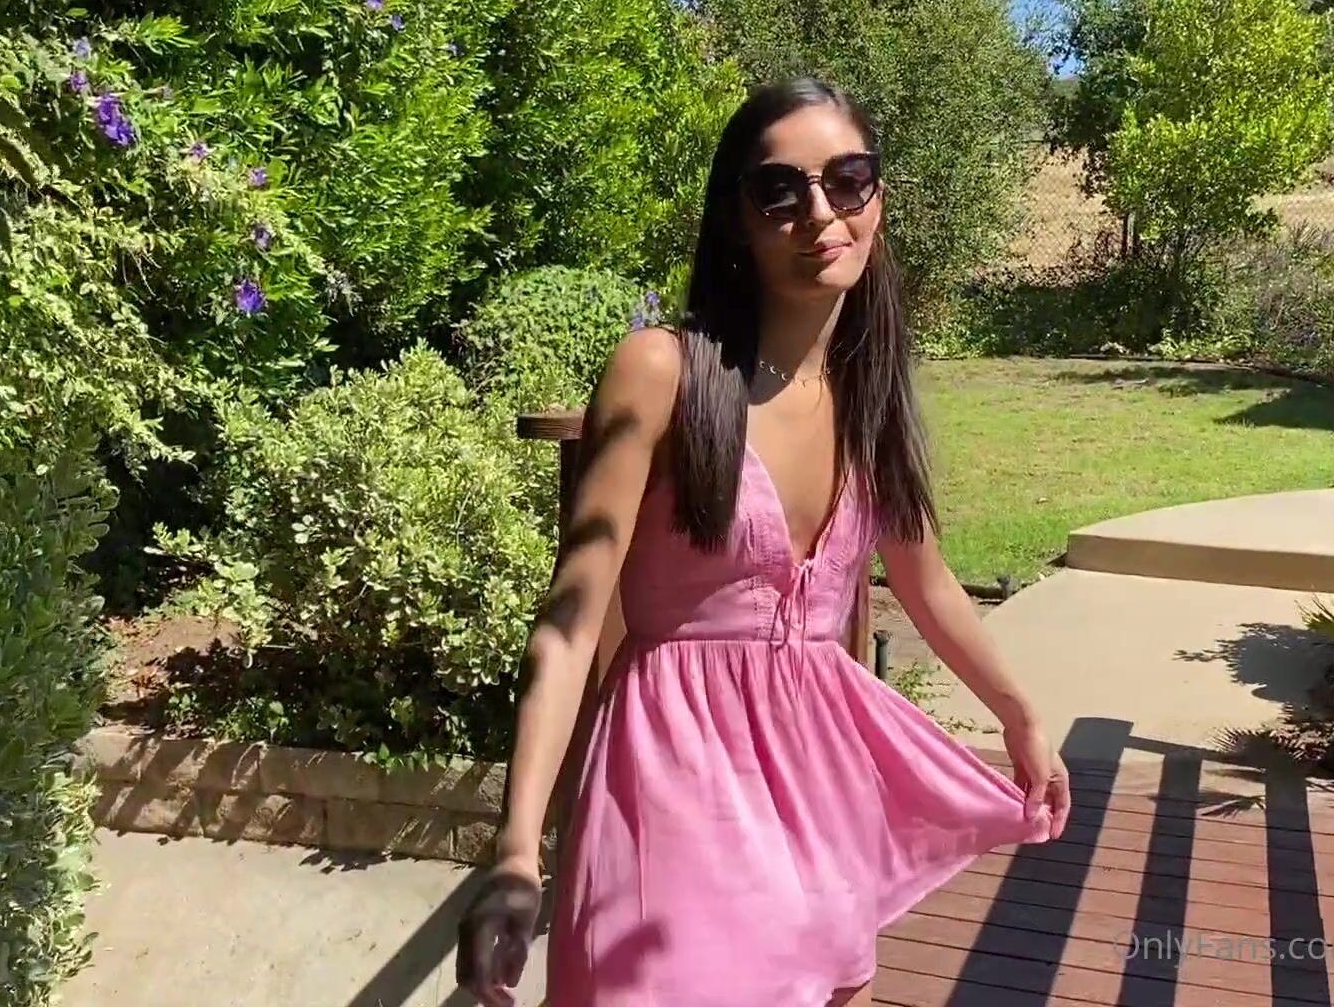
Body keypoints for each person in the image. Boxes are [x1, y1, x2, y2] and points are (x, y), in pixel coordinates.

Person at [455, 77, 1072, 1007]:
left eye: (848, 180)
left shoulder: (870, 397)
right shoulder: (661, 371)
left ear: (877, 199)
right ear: (737, 220)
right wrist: (514, 852)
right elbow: (572, 620)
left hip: (822, 794)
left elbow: (925, 579)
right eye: (779, 191)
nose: (820, 213)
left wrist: (1018, 715)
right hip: (670, 790)